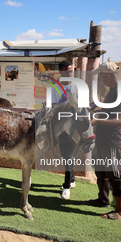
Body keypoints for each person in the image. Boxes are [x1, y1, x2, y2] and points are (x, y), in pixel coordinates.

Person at [87, 61, 121, 221]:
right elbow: (110, 110)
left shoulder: (120, 93)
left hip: (113, 140)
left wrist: (96, 121)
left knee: (115, 174)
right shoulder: (113, 91)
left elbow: (120, 121)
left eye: (101, 76)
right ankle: (103, 200)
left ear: (108, 75)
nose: (101, 79)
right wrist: (97, 108)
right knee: (102, 172)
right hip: (104, 139)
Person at [52, 60, 77, 199]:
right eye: (67, 71)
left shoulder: (78, 87)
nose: (70, 73)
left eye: (71, 70)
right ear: (61, 72)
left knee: (69, 156)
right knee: (65, 156)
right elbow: (52, 105)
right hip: (61, 128)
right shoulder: (55, 88)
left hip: (75, 128)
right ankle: (72, 180)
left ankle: (66, 186)